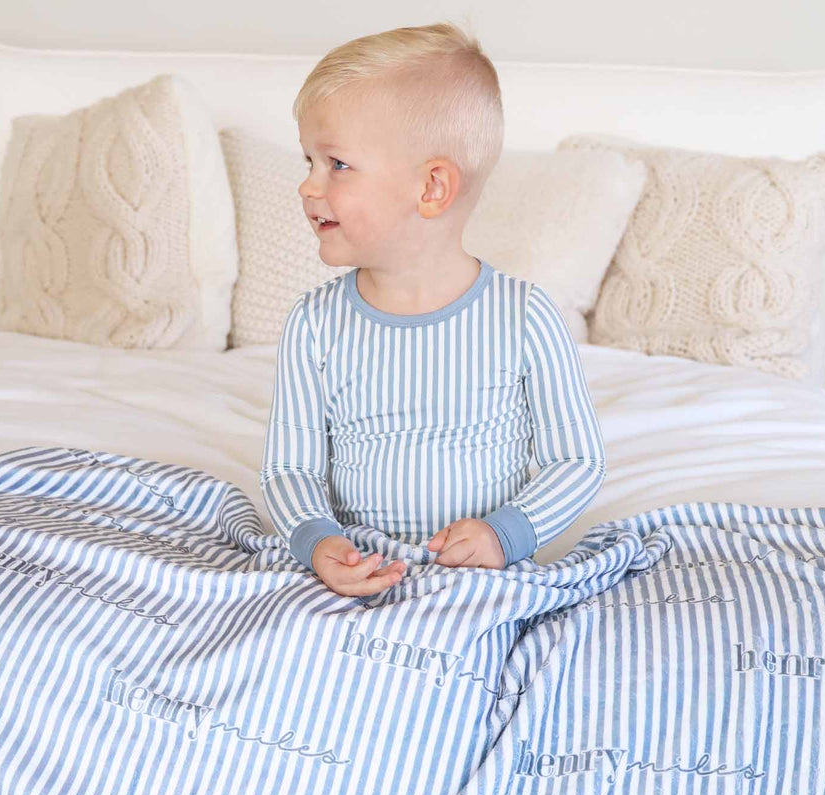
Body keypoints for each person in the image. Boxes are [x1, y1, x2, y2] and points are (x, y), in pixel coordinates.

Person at [260, 21, 607, 598]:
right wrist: (318, 541)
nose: (307, 186)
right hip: (357, 573)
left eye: (336, 164)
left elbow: (575, 460)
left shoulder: (523, 317)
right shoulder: (314, 324)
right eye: (308, 162)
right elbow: (289, 468)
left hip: (486, 576)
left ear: (432, 188)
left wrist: (506, 535)